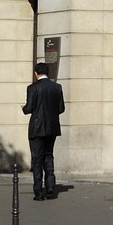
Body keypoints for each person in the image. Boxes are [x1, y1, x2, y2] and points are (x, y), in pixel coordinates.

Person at [22, 62, 65, 200]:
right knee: (48, 156)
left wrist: (23, 108)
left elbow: (29, 108)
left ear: (36, 73)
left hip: (37, 127)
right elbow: (61, 108)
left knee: (37, 159)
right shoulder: (57, 87)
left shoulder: (32, 88)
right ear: (48, 73)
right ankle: (51, 188)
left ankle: (38, 191)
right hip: (52, 127)